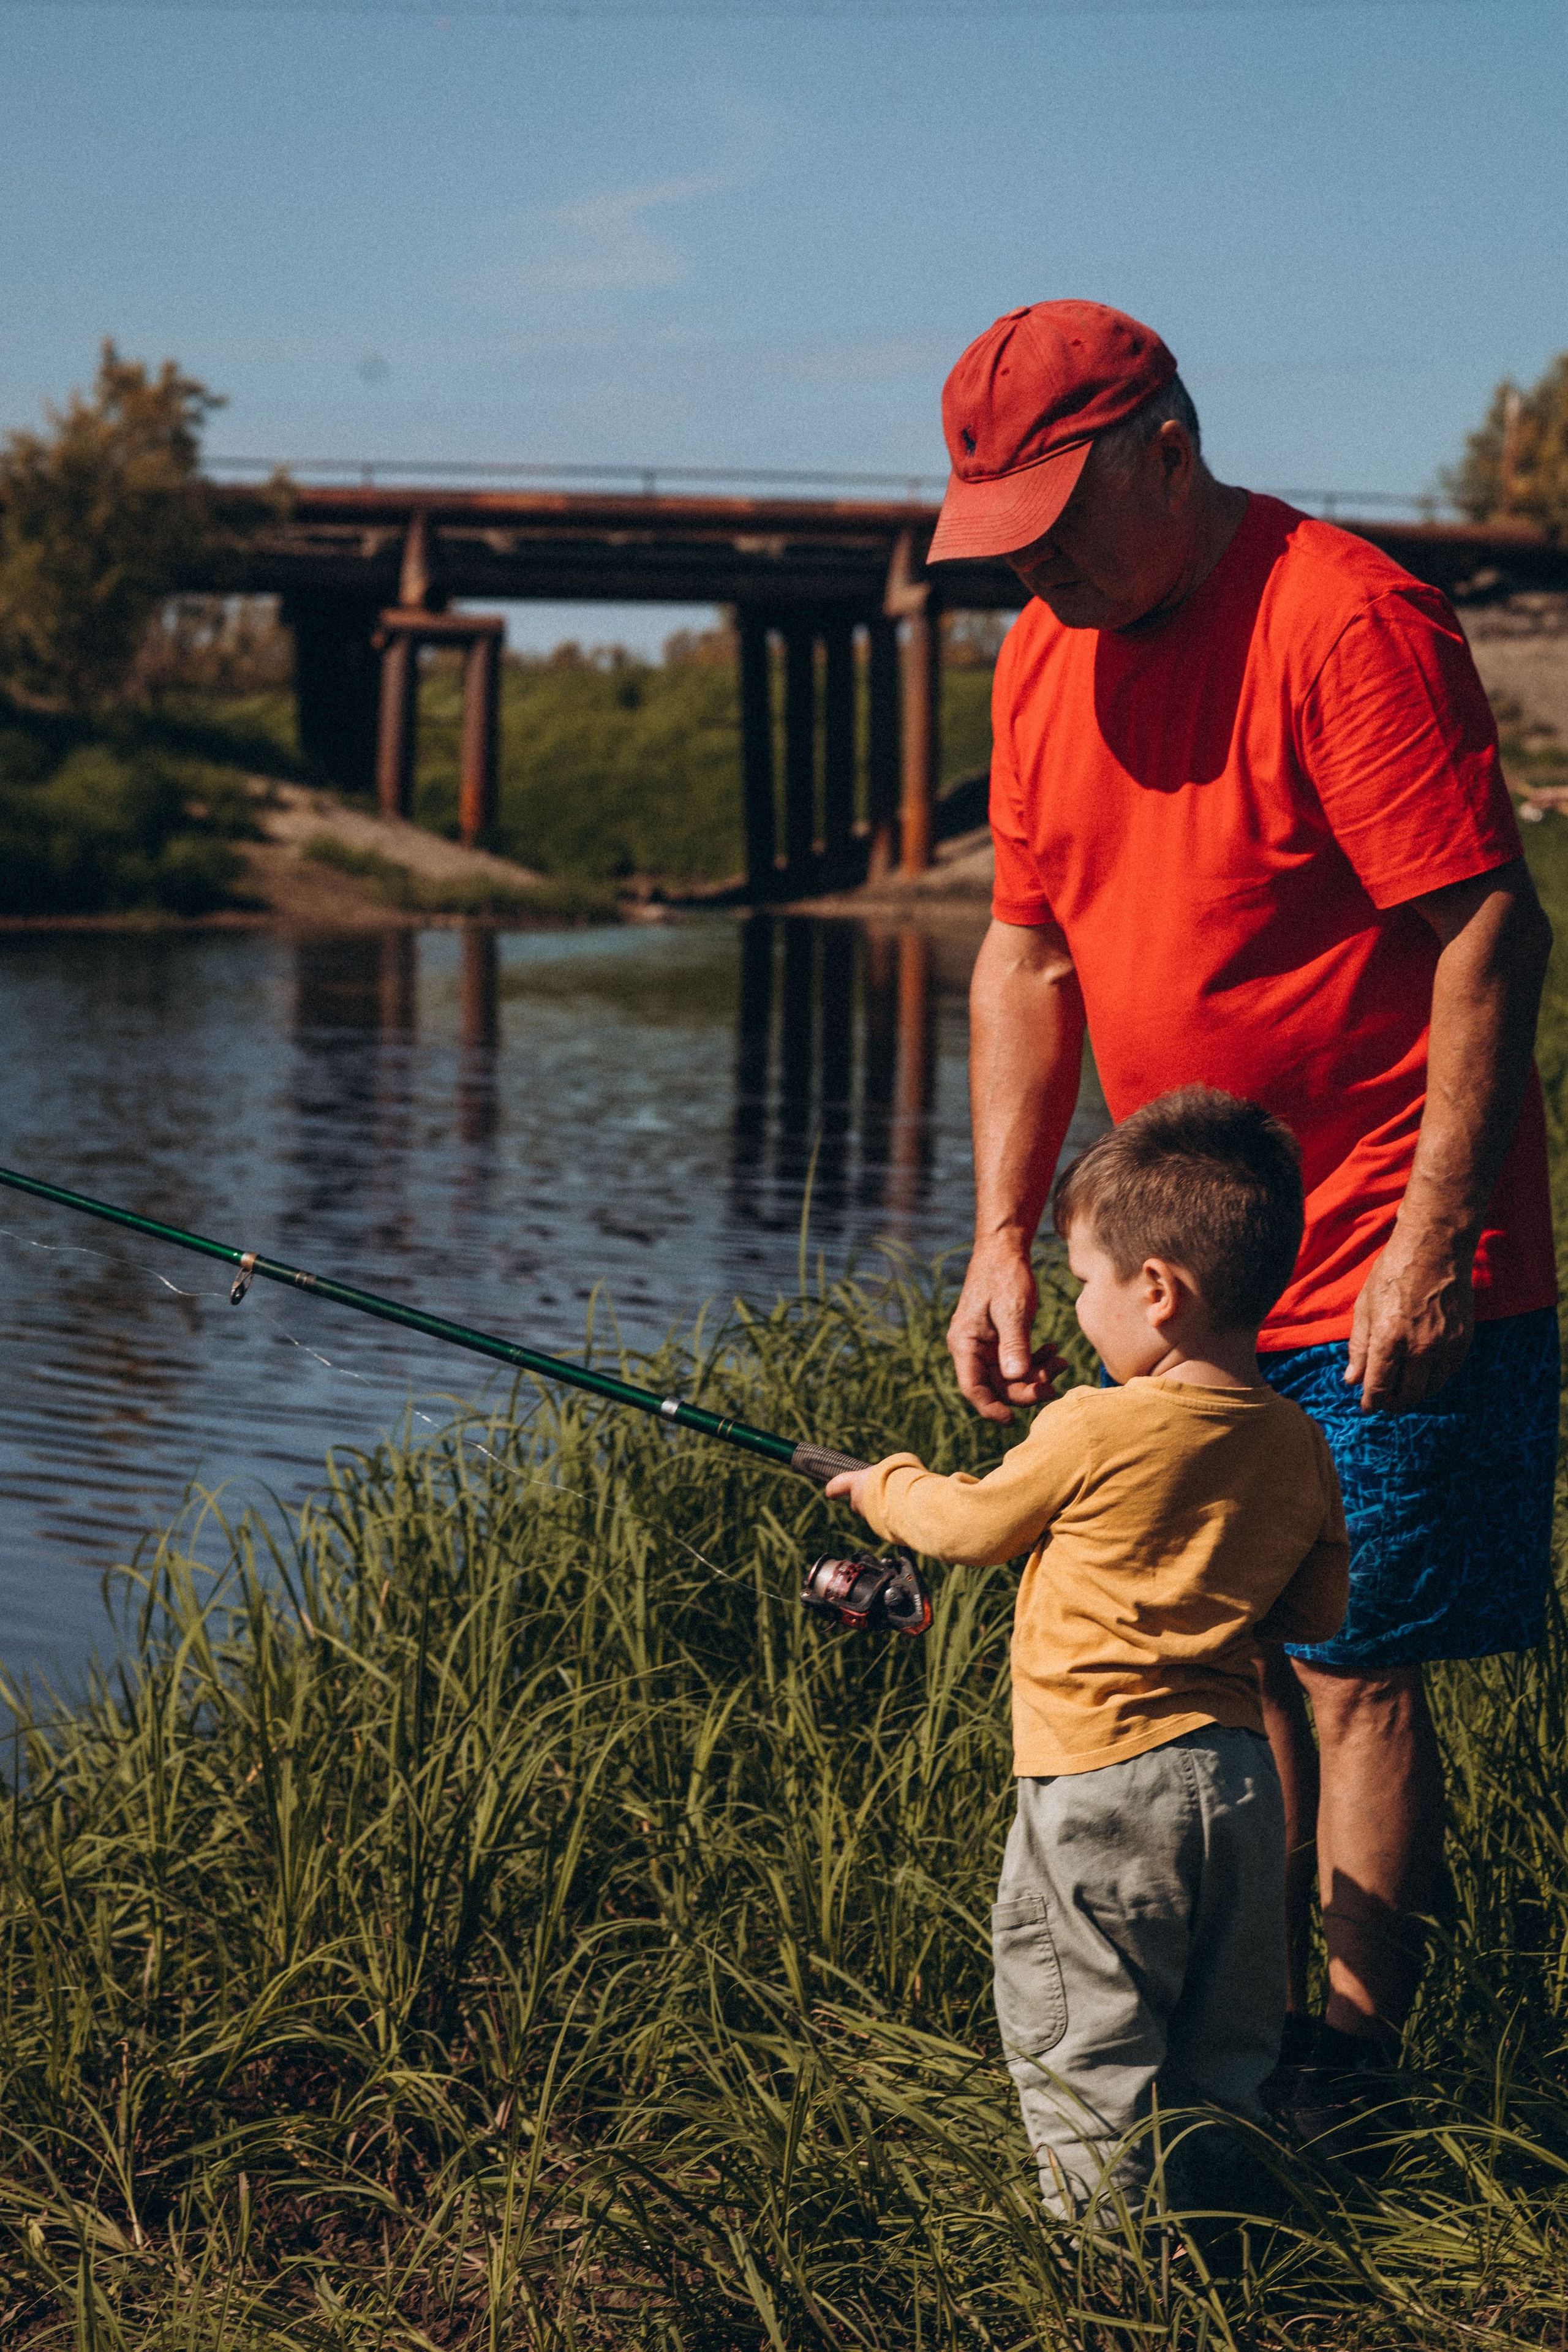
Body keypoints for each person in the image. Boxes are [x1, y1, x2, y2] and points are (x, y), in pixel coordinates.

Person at [927, 300, 1558, 2118]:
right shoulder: (1048, 652)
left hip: (1381, 1230)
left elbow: (1490, 932)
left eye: (1056, 511)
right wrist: (1000, 1232)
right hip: (1194, 1274)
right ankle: (1244, 2013)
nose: (1031, 561)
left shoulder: (1340, 618)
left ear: (1165, 447)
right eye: (1002, 531)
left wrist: (1437, 1242)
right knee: (1223, 1643)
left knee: (1352, 1660)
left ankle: (1352, 2062)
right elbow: (1025, 956)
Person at [829, 1087, 1349, 2213]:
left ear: (1156, 1291)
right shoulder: (1301, 1442)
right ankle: (1223, 2235)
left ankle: (1112, 2291)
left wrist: (883, 1485)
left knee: (1089, 2052)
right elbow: (1311, 1614)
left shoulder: (1092, 1422)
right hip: (1238, 1783)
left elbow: (965, 1529)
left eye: (1082, 1284)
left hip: (1100, 1780)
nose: (1078, 1308)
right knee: (1222, 2046)